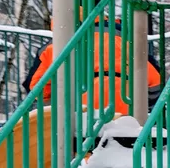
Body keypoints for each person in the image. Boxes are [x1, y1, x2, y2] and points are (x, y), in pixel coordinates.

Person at [27, 20, 162, 117]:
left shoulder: (55, 46)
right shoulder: (126, 40)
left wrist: (58, 103)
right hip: (125, 112)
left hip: (79, 115)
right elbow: (155, 80)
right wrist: (145, 106)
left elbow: (37, 89)